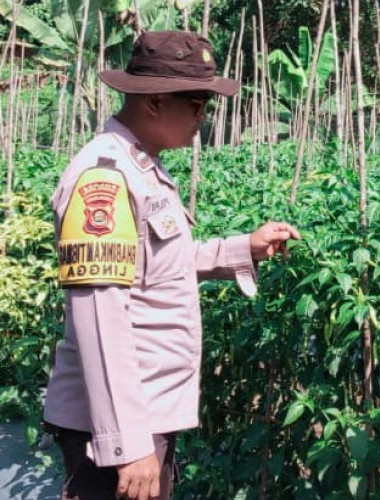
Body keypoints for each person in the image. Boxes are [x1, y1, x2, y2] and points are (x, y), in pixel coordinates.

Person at [43, 30, 300, 500]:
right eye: (198, 103)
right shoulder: (104, 180)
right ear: (156, 103)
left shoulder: (142, 167)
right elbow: (100, 318)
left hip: (144, 412)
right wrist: (127, 443)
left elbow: (158, 265)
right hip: (119, 427)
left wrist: (244, 248)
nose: (204, 117)